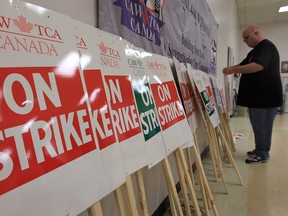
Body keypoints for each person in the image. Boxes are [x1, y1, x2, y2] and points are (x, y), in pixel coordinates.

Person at [222, 24, 283, 164]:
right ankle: (260, 148)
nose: (245, 42)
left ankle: (263, 153)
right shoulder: (255, 51)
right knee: (257, 125)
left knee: (263, 126)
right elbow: (243, 65)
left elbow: (258, 65)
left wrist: (232, 70)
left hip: (266, 98)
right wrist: (232, 68)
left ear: (255, 34)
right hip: (257, 98)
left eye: (246, 39)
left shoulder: (266, 47)